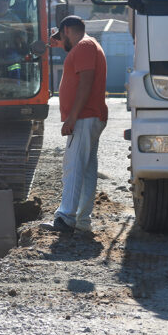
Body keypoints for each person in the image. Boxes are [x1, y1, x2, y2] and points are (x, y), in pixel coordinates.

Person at [41, 16, 108, 233]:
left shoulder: (85, 46)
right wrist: (60, 41)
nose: (59, 43)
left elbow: (86, 83)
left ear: (67, 29)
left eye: (61, 36)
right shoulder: (85, 46)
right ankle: (81, 221)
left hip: (84, 118)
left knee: (73, 166)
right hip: (90, 116)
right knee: (87, 170)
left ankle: (66, 217)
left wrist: (72, 117)